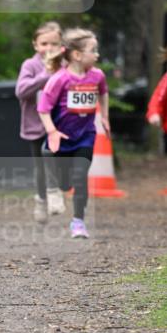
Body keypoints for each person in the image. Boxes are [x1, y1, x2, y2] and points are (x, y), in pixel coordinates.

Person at [37, 28, 110, 239]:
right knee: (64, 183)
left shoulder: (98, 76)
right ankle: (54, 188)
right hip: (61, 136)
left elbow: (104, 94)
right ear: (77, 55)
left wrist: (104, 116)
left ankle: (78, 222)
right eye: (93, 50)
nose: (97, 55)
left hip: (85, 135)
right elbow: (43, 109)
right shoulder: (60, 79)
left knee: (80, 178)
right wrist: (52, 131)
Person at [15, 21, 66, 223]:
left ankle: (55, 192)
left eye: (54, 43)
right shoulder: (30, 65)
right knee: (41, 167)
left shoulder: (66, 65)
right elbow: (21, 91)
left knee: (58, 160)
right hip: (36, 125)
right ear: (35, 45)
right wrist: (45, 76)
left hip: (61, 124)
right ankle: (42, 199)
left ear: (61, 45)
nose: (49, 48)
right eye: (44, 43)